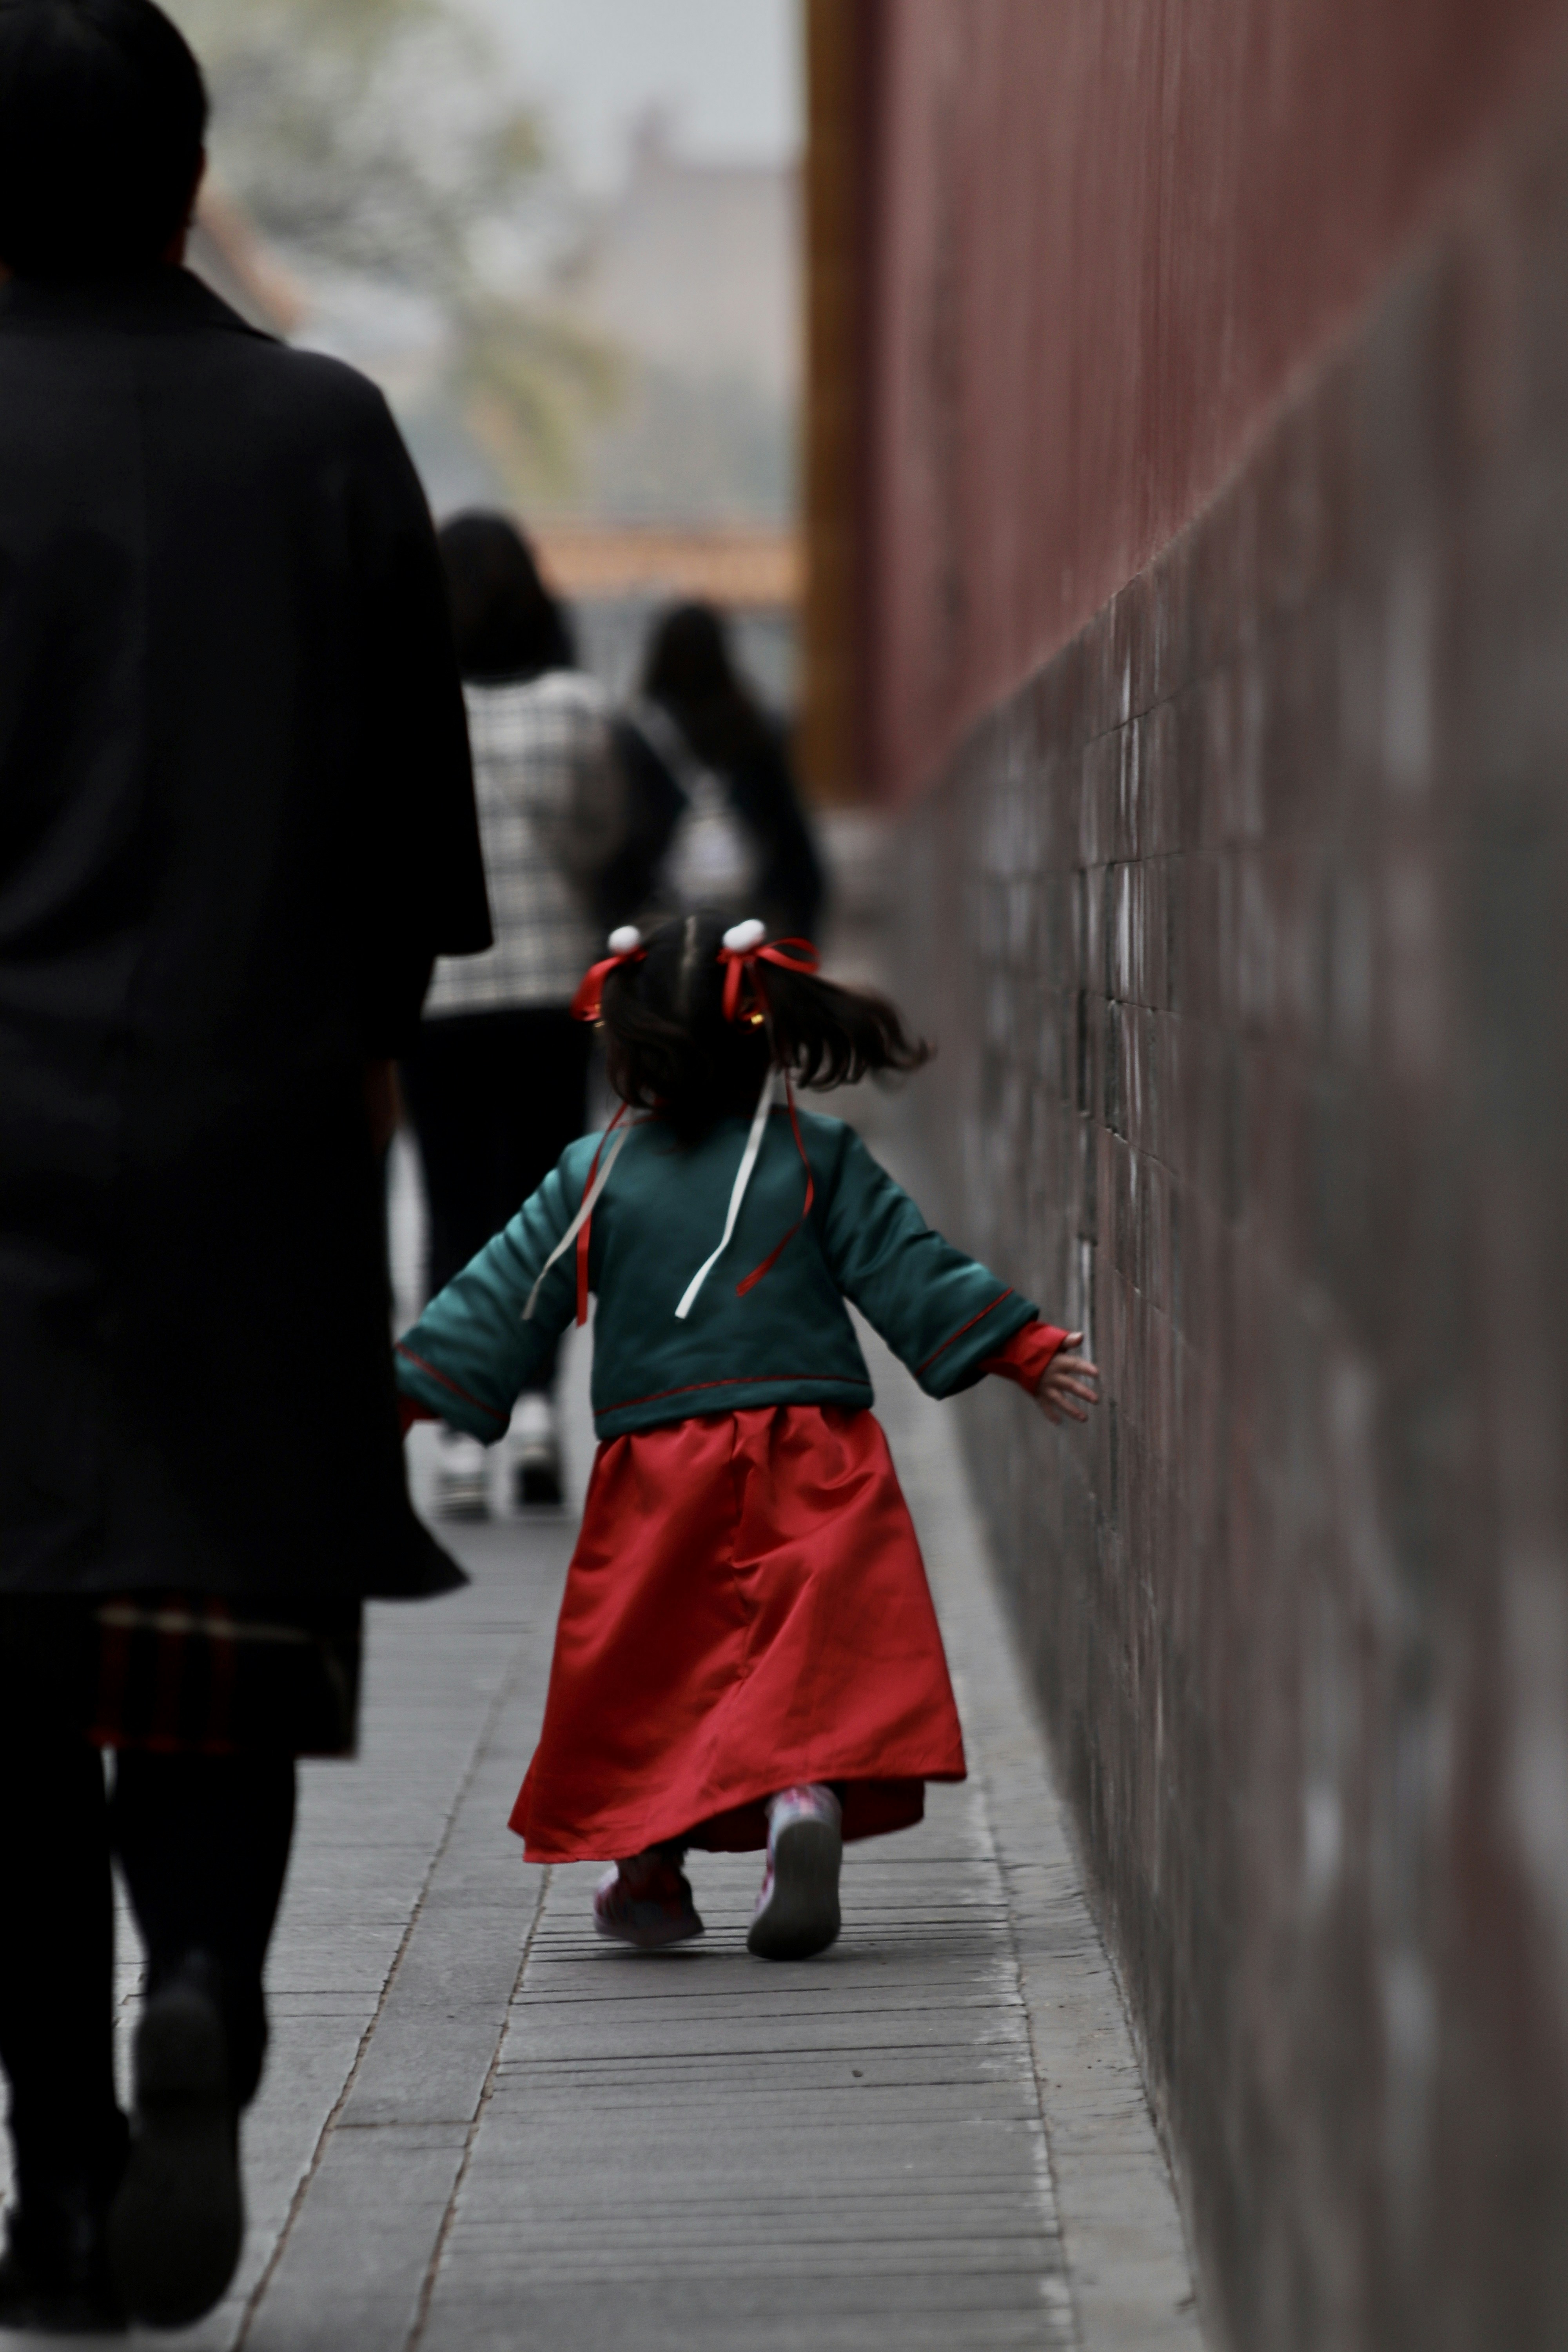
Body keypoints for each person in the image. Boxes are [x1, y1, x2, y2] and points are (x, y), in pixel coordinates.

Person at [0, 0, 489, 2331]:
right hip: (248, 1157)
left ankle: (61, 2177)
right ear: (192, 174)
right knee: (201, 1651)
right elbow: (410, 877)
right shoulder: (326, 434)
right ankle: (198, 1970)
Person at [394, 914, 1099, 1960]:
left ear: (626, 1053)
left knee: (650, 1667)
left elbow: (498, 1297)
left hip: (655, 1470)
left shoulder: (594, 1172)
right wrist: (1024, 1345)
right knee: (801, 1648)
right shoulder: (816, 1155)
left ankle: (647, 1868)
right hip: (815, 1450)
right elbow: (909, 1265)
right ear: (766, 1039)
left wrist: (400, 1396)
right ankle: (801, 1800)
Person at [401, 513, 622, 1516]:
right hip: (548, 991)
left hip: (438, 995)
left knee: (451, 1208)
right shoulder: (579, 709)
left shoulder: (408, 705)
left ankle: (455, 1439)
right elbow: (602, 837)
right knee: (547, 1209)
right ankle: (536, 1417)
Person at [603, 600, 825, 944]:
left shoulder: (640, 738)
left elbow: (627, 844)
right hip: (748, 918)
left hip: (664, 917)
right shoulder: (756, 731)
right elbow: (792, 842)